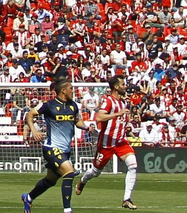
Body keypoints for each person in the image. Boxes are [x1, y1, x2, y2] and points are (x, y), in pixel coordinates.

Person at [77, 75, 139, 209]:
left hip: (121, 142)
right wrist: (117, 114)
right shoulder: (108, 101)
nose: (125, 86)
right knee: (95, 172)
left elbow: (121, 121)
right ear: (116, 87)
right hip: (106, 143)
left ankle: (126, 199)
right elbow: (99, 117)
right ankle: (82, 181)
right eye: (123, 84)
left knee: (133, 165)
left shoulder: (123, 103)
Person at [23, 76, 81, 213]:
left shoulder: (73, 105)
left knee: (50, 180)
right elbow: (29, 115)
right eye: (71, 88)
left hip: (65, 150)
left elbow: (77, 121)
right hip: (51, 148)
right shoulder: (48, 105)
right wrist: (34, 130)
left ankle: (28, 198)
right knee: (69, 172)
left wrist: (87, 127)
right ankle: (67, 210)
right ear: (63, 91)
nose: (73, 91)